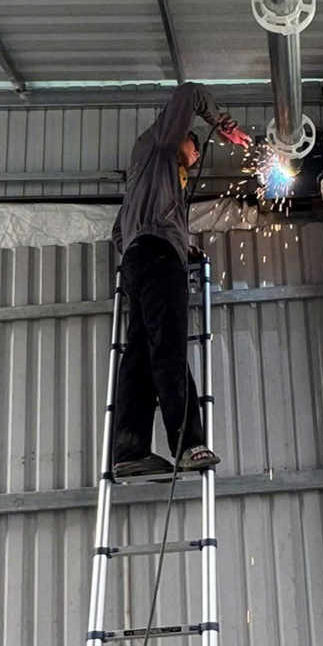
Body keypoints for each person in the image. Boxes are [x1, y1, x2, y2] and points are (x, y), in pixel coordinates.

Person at [111, 82, 251, 479]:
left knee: (138, 355)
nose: (197, 154)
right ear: (179, 137)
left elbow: (119, 234)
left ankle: (129, 449)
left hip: (139, 262)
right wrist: (223, 124)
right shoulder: (158, 149)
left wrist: (177, 246)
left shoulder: (144, 184)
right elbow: (189, 92)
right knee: (169, 346)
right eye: (195, 146)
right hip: (156, 260)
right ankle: (189, 444)